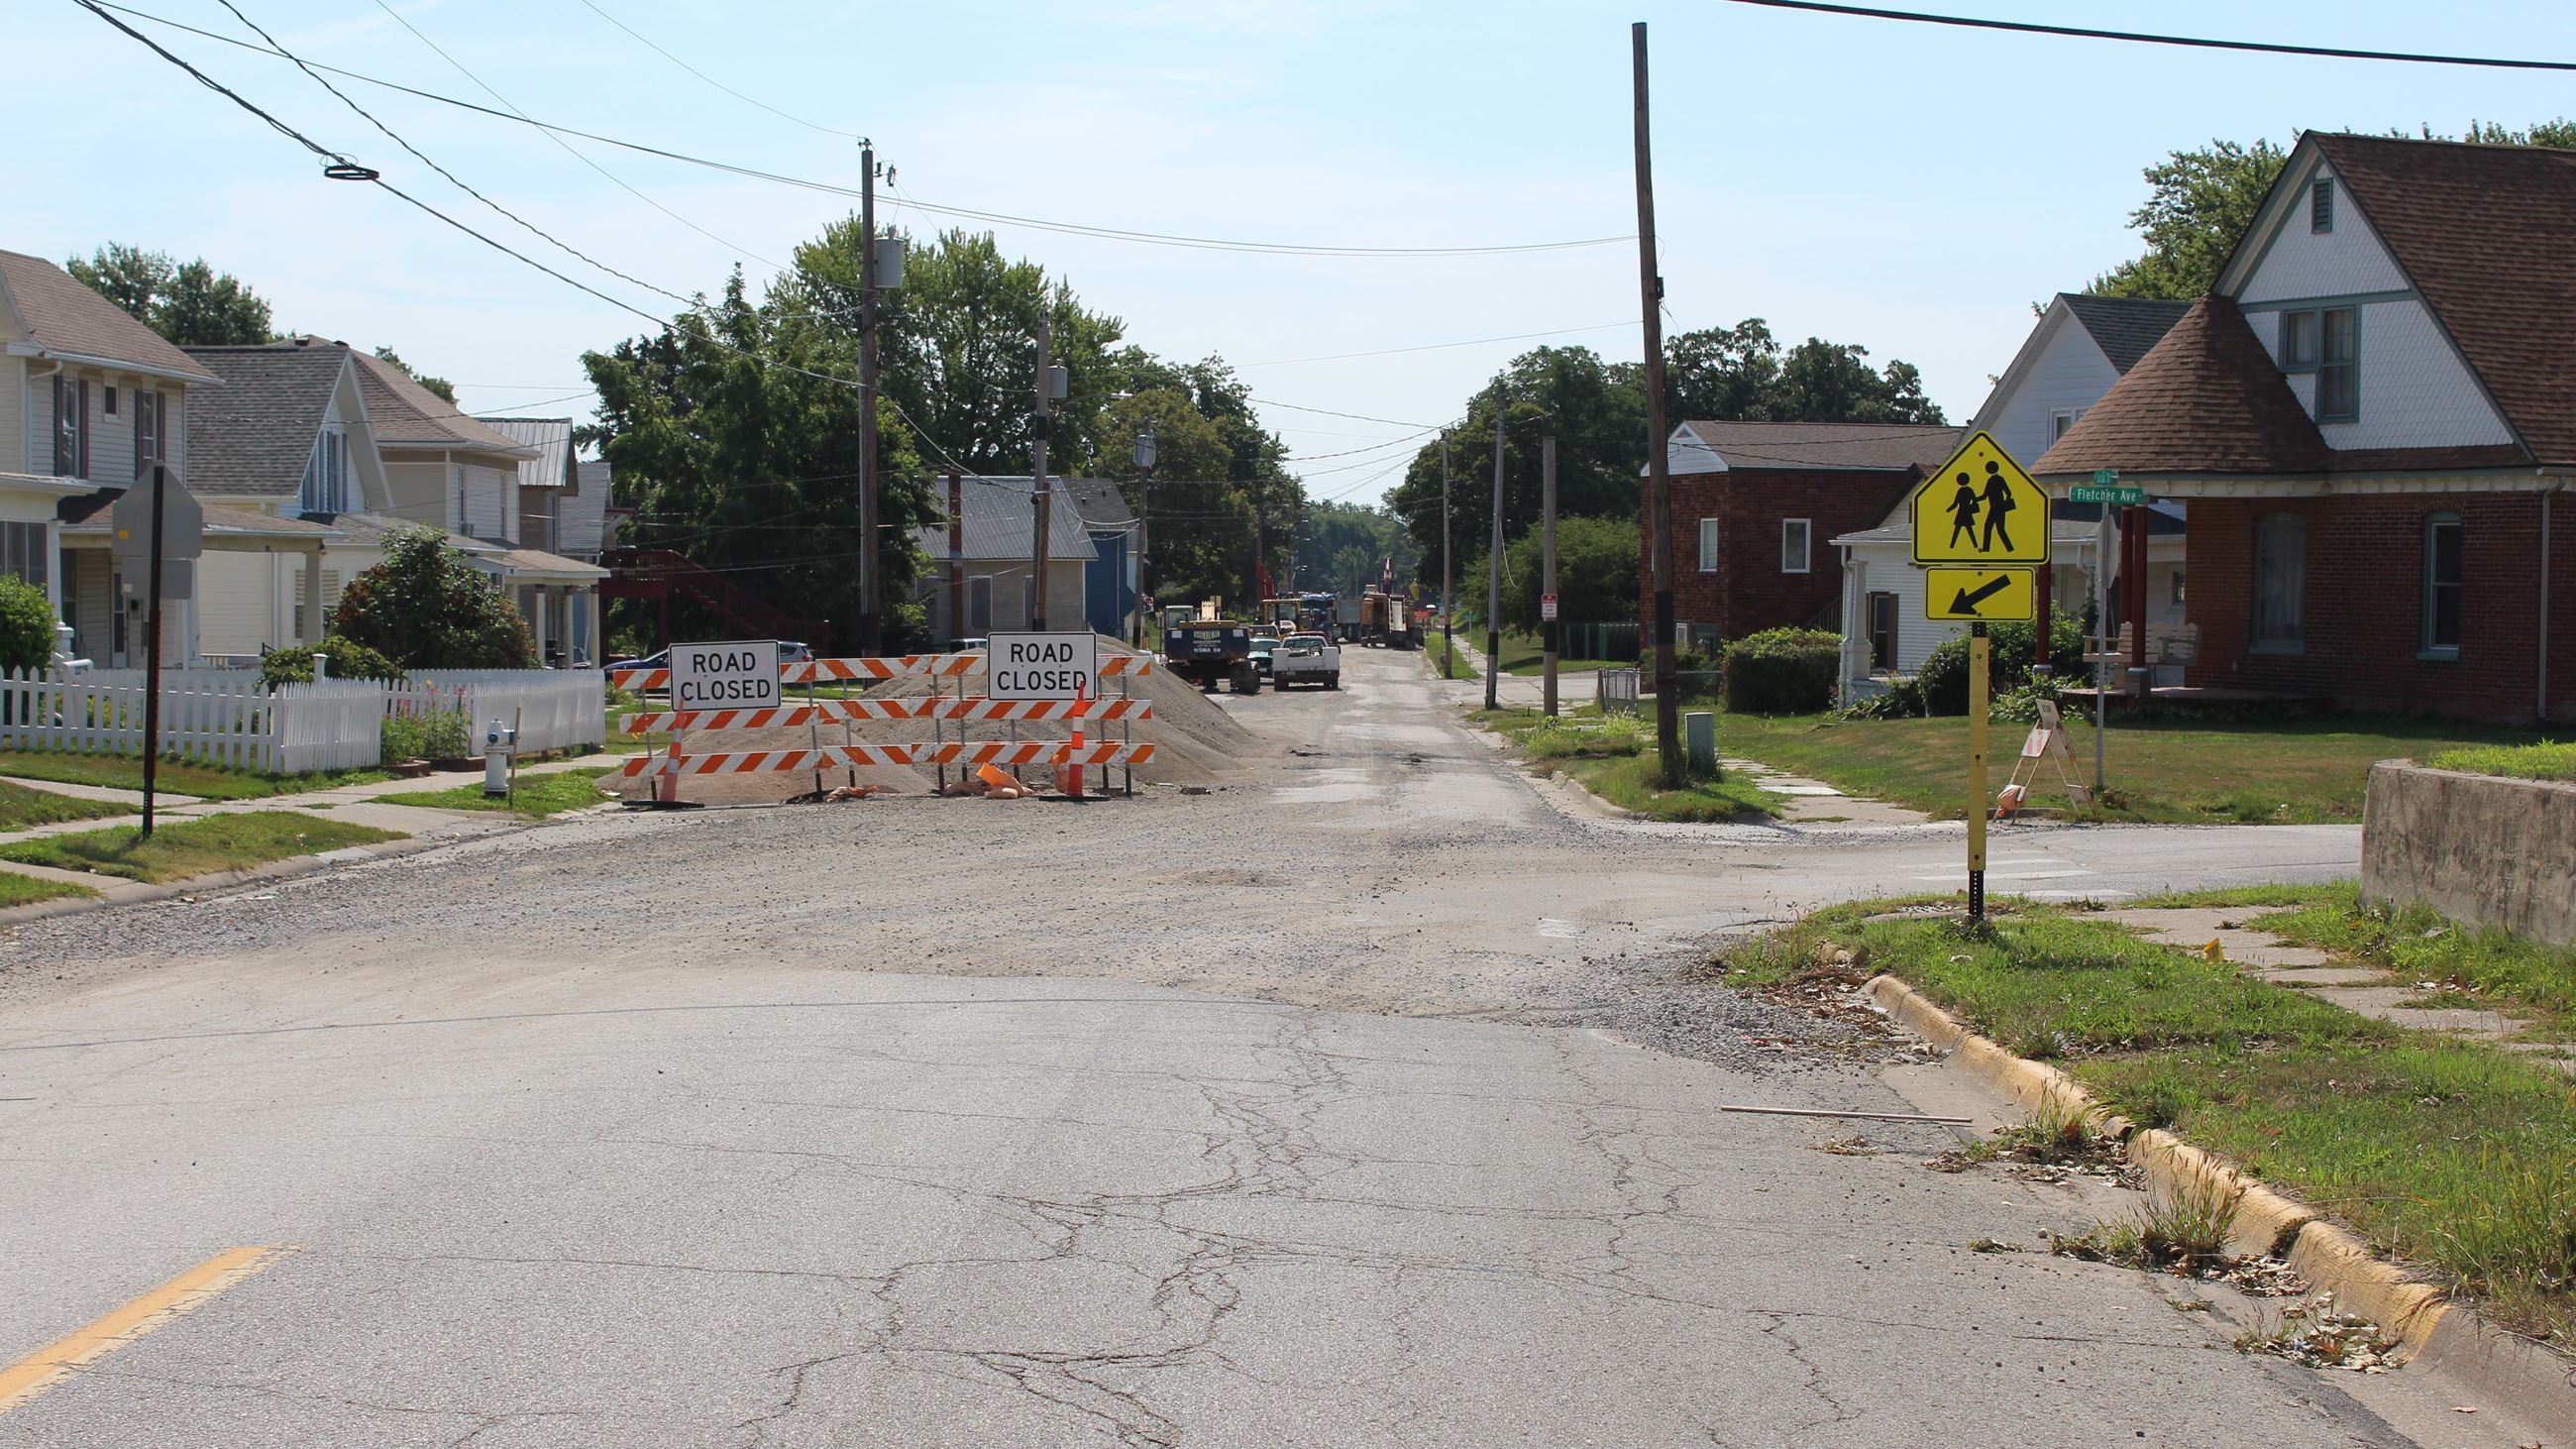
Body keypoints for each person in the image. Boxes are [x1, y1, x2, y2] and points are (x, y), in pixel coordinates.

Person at [1979, 460, 2018, 554]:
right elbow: (2008, 493)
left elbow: (1985, 496)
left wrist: (1974, 500)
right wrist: (2004, 503)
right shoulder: (1997, 479)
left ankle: (1989, 548)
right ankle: (2008, 548)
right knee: (1997, 529)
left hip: (1996, 509)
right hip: (1997, 508)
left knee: (1992, 528)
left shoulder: (1994, 480)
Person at [1945, 472, 1981, 550]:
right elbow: (1974, 500)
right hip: (1966, 512)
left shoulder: (1960, 491)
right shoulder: (1969, 490)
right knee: (1967, 529)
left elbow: (1955, 504)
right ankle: (1975, 545)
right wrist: (1946, 511)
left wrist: (1947, 510)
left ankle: (1952, 546)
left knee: (1960, 530)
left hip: (1962, 512)